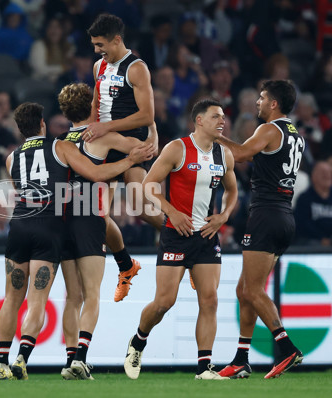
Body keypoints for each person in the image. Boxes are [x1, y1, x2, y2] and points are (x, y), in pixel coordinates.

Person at [0, 102, 153, 381]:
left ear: (20, 130)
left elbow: (21, 189)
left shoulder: (11, 158)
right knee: (41, 299)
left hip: (19, 226)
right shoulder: (60, 147)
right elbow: (94, 174)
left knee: (11, 298)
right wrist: (128, 161)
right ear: (42, 124)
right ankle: (31, 356)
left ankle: (1, 363)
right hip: (53, 226)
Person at [123, 99, 237, 381]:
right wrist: (171, 212)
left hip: (206, 236)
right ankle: (138, 341)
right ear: (199, 121)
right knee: (164, 302)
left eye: (223, 117)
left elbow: (232, 190)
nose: (221, 121)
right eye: (215, 117)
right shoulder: (177, 148)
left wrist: (223, 216)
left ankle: (204, 368)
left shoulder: (225, 155)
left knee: (209, 300)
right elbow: (148, 185)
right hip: (176, 234)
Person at [56, 83, 154, 380]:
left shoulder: (58, 143)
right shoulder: (106, 137)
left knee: (72, 297)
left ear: (64, 112)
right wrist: (151, 127)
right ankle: (81, 357)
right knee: (92, 295)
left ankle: (70, 358)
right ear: (94, 106)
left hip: (61, 219)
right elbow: (145, 151)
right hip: (90, 216)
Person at [214, 80, 305, 379]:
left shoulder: (270, 129)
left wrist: (215, 137)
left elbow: (240, 154)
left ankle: (286, 346)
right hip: (283, 215)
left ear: (274, 104)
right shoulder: (296, 135)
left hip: (265, 214)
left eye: (263, 98)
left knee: (252, 290)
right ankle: (242, 357)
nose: (258, 102)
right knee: (245, 291)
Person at [82, 13, 161, 302]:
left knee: (140, 205)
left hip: (129, 143)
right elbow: (95, 105)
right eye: (93, 44)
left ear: (117, 39)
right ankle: (126, 265)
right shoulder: (98, 66)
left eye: (100, 44)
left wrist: (108, 126)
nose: (96, 50)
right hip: (103, 144)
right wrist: (88, 132)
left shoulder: (136, 68)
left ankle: (185, 242)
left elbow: (146, 114)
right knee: (95, 215)